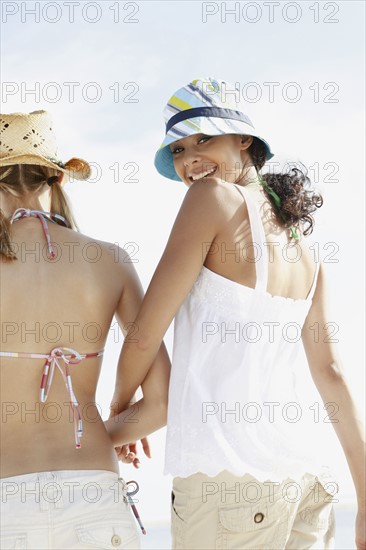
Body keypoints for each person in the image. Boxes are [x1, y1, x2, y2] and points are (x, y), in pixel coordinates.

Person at [104, 77, 366, 550]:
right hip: (310, 481)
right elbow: (331, 373)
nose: (190, 160)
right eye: (179, 149)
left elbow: (145, 332)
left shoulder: (211, 199)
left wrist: (120, 409)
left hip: (231, 486)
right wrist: (365, 501)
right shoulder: (304, 243)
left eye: (204, 139)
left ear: (244, 140)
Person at [0, 110, 170, 550]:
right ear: (58, 179)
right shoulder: (110, 260)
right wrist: (97, 430)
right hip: (95, 494)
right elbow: (162, 403)